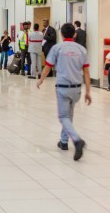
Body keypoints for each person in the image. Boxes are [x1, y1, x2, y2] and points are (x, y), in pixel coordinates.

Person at [36, 23, 92, 161]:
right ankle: (64, 141)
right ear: (74, 34)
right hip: (77, 88)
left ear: (61, 34)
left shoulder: (57, 48)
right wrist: (88, 92)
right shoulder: (82, 50)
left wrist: (41, 80)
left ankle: (77, 140)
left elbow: (48, 67)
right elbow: (86, 71)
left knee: (63, 117)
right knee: (69, 115)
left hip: (63, 87)